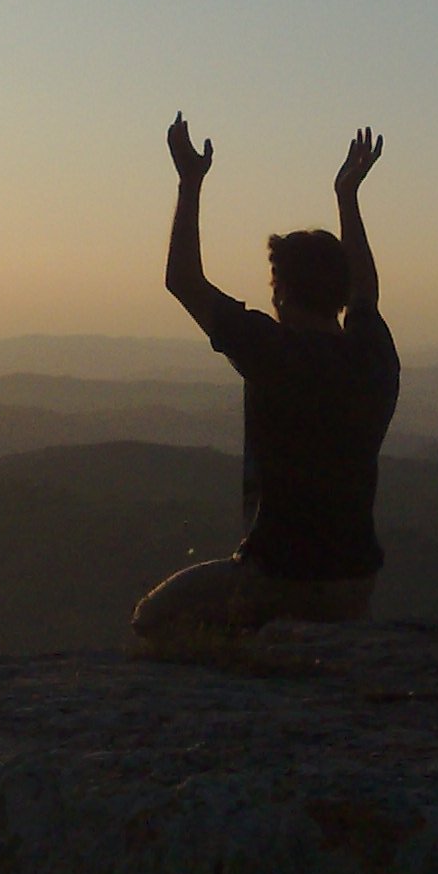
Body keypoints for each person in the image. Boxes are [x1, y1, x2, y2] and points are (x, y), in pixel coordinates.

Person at [131, 115, 401, 639]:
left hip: (278, 579)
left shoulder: (273, 352)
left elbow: (182, 281)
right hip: (356, 582)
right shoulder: (373, 357)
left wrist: (190, 182)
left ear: (279, 291)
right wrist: (347, 197)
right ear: (341, 295)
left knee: (152, 619)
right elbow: (367, 293)